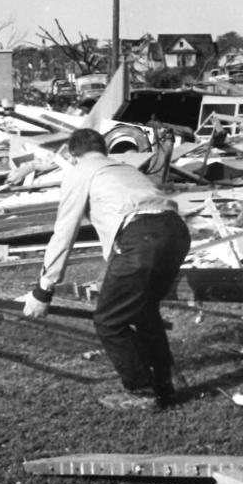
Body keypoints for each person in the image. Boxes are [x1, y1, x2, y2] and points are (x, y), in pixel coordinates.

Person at [22, 128, 191, 409]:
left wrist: (43, 289)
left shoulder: (80, 172)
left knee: (109, 321)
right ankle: (167, 383)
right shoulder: (125, 169)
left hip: (142, 236)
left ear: (73, 156)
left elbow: (65, 230)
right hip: (176, 231)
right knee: (145, 311)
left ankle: (140, 392)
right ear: (104, 149)